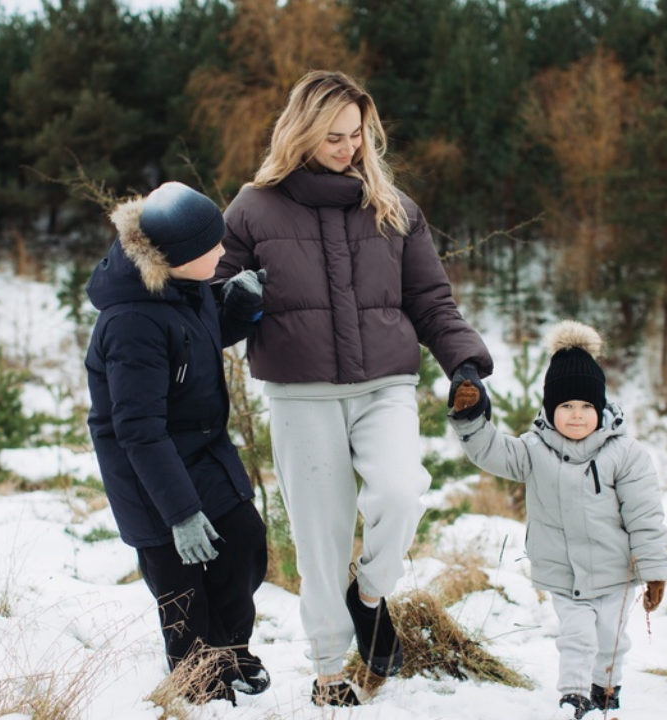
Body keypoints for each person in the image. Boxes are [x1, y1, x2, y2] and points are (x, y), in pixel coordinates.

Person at [215, 70, 494, 707]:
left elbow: (430, 300)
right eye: (336, 137)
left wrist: (464, 364)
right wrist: (238, 304)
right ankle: (328, 671)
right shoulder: (253, 209)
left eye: (359, 135)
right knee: (322, 535)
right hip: (300, 394)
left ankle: (367, 597)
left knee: (401, 492)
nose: (351, 149)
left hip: (385, 386)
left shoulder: (393, 207)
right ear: (303, 132)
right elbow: (209, 302)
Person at [84, 181, 272, 705]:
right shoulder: (130, 321)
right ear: (178, 255)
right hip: (148, 470)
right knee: (181, 585)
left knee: (243, 546)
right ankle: (199, 683)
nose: (222, 253)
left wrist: (238, 308)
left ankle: (230, 650)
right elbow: (138, 428)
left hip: (200, 448)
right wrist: (181, 513)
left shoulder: (182, 284)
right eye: (211, 247)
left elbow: (193, 340)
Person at [448, 320, 667, 720]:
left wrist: (655, 571)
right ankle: (574, 695)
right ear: (551, 408)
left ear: (600, 407)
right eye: (566, 406)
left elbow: (646, 516)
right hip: (564, 572)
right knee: (577, 636)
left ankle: (606, 689)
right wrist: (471, 419)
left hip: (614, 570)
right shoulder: (534, 449)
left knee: (612, 639)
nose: (576, 415)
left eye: (586, 406)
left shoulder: (626, 454)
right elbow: (491, 452)